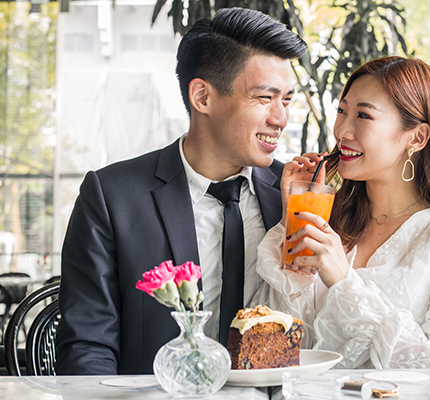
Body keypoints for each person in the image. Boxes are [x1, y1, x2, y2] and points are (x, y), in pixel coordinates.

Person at [55, 8, 307, 375]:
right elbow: (87, 349)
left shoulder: (296, 196)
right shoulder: (112, 197)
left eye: (286, 99)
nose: (280, 118)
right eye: (264, 98)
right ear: (202, 97)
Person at [254, 56, 430, 369]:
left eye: (364, 115)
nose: (342, 130)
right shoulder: (331, 221)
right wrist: (296, 215)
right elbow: (272, 344)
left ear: (417, 137)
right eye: (341, 111)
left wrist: (344, 281)